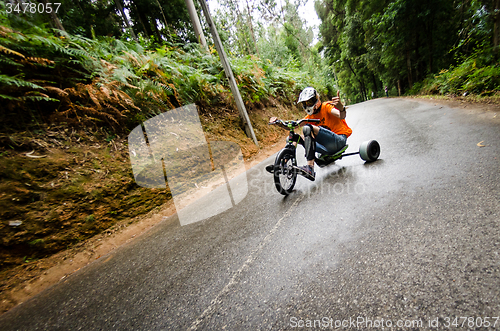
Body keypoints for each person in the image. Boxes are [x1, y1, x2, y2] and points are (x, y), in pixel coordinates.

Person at [270, 87, 352, 181]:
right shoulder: (309, 117)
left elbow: (341, 115)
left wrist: (341, 108)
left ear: (316, 100)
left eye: (309, 102)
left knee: (308, 128)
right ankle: (282, 164)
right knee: (293, 138)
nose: (307, 105)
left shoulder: (326, 107)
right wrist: (279, 123)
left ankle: (310, 168)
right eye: (305, 103)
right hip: (325, 147)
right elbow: (292, 126)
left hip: (338, 140)